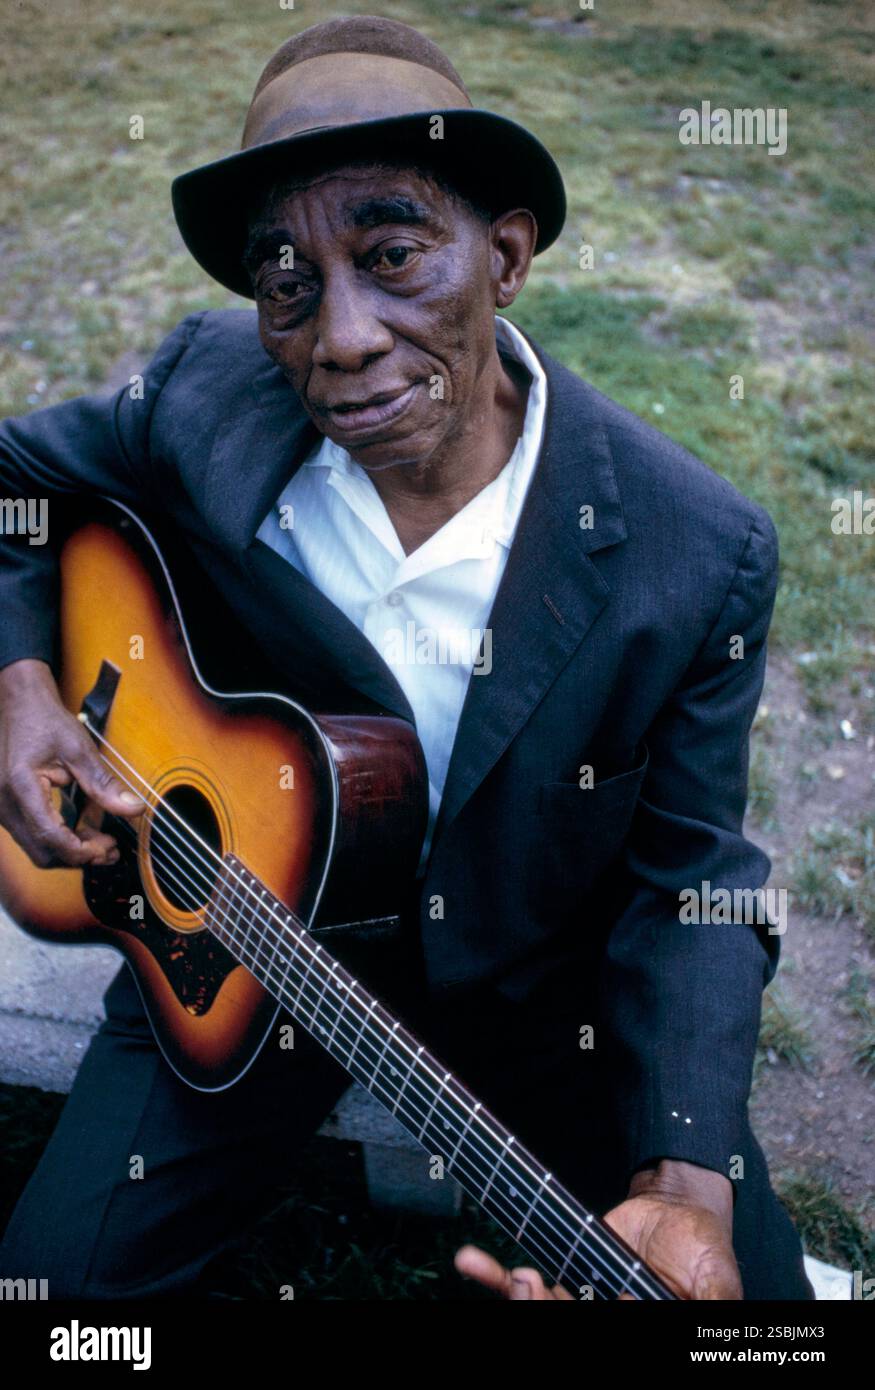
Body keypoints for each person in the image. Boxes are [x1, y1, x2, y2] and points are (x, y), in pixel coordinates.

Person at [0, 17, 813, 1301]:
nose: (342, 337)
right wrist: (22, 687)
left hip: (536, 1000)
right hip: (233, 939)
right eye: (287, 278)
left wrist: (680, 1184)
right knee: (52, 1291)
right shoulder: (207, 397)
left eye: (391, 256)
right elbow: (19, 479)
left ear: (503, 256)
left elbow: (692, 878)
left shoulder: (692, 551)